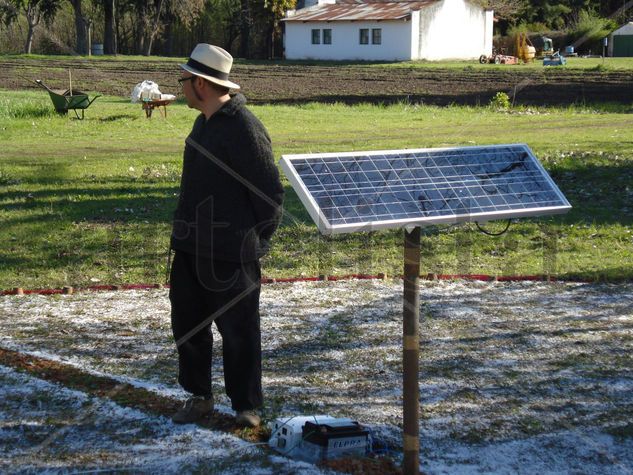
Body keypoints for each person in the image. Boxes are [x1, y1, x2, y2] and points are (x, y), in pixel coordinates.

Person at [169, 43, 284, 427]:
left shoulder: (245, 128)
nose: (181, 85)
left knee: (239, 333)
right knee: (188, 328)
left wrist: (253, 243)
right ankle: (199, 397)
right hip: (191, 248)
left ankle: (246, 408)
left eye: (184, 79)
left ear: (200, 83)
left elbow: (270, 194)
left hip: (233, 256)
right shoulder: (203, 122)